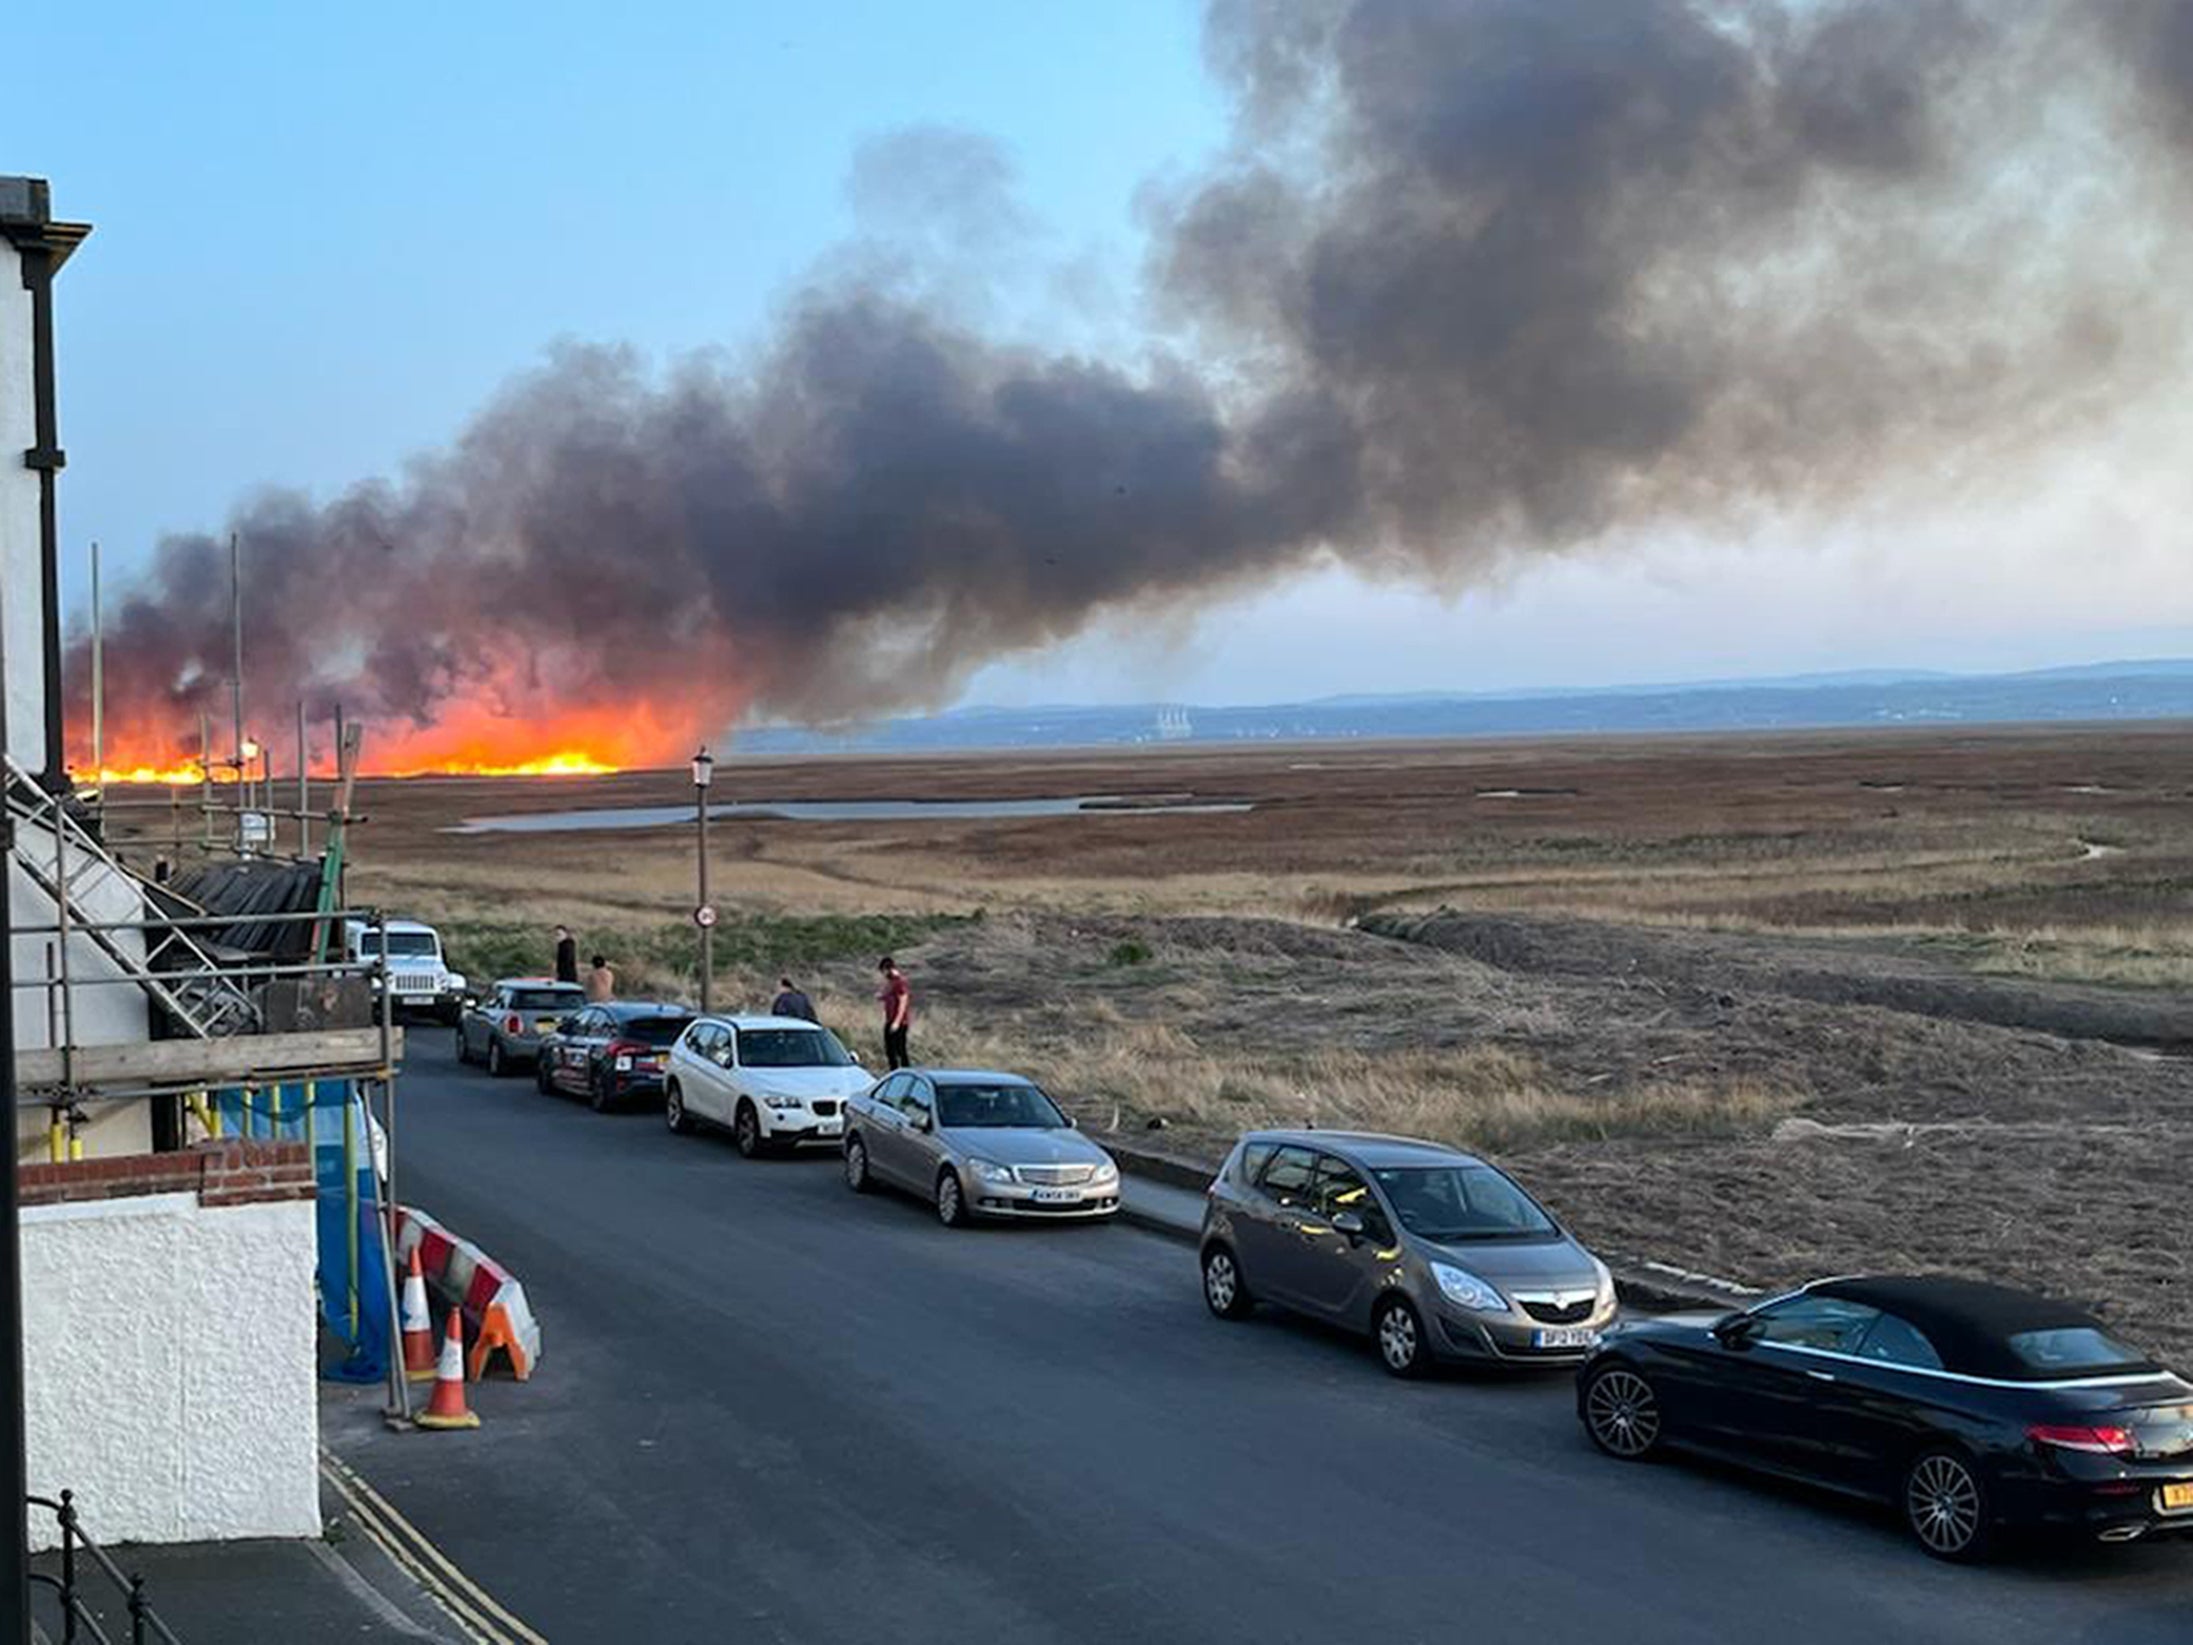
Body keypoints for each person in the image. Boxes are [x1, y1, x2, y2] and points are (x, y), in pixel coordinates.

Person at [877, 956, 912, 1069]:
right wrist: (882, 997)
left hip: (899, 1023)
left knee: (900, 1050)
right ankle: (894, 1072)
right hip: (890, 1020)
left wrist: (897, 1022)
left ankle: (905, 1071)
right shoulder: (891, 982)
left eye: (884, 971)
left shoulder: (899, 982)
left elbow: (903, 1001)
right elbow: (889, 996)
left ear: (888, 969)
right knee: (890, 1050)